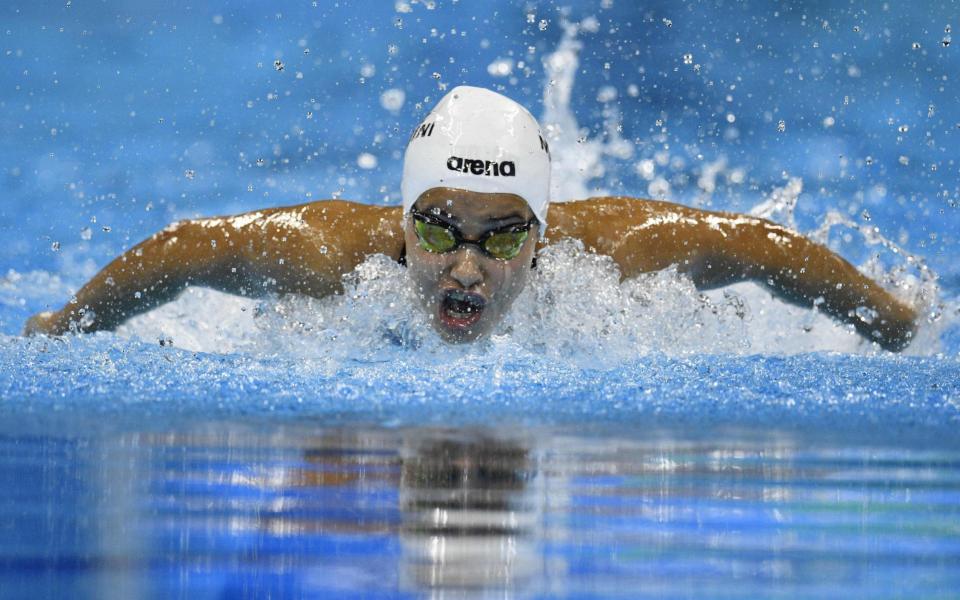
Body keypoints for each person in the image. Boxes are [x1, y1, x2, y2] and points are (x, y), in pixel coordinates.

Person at [24, 86, 917, 351]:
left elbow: (764, 251)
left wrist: (900, 325)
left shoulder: (616, 255)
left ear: (542, 234)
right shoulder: (328, 258)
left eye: (503, 237)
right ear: (405, 221)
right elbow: (186, 251)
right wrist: (62, 327)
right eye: (443, 230)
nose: (466, 269)